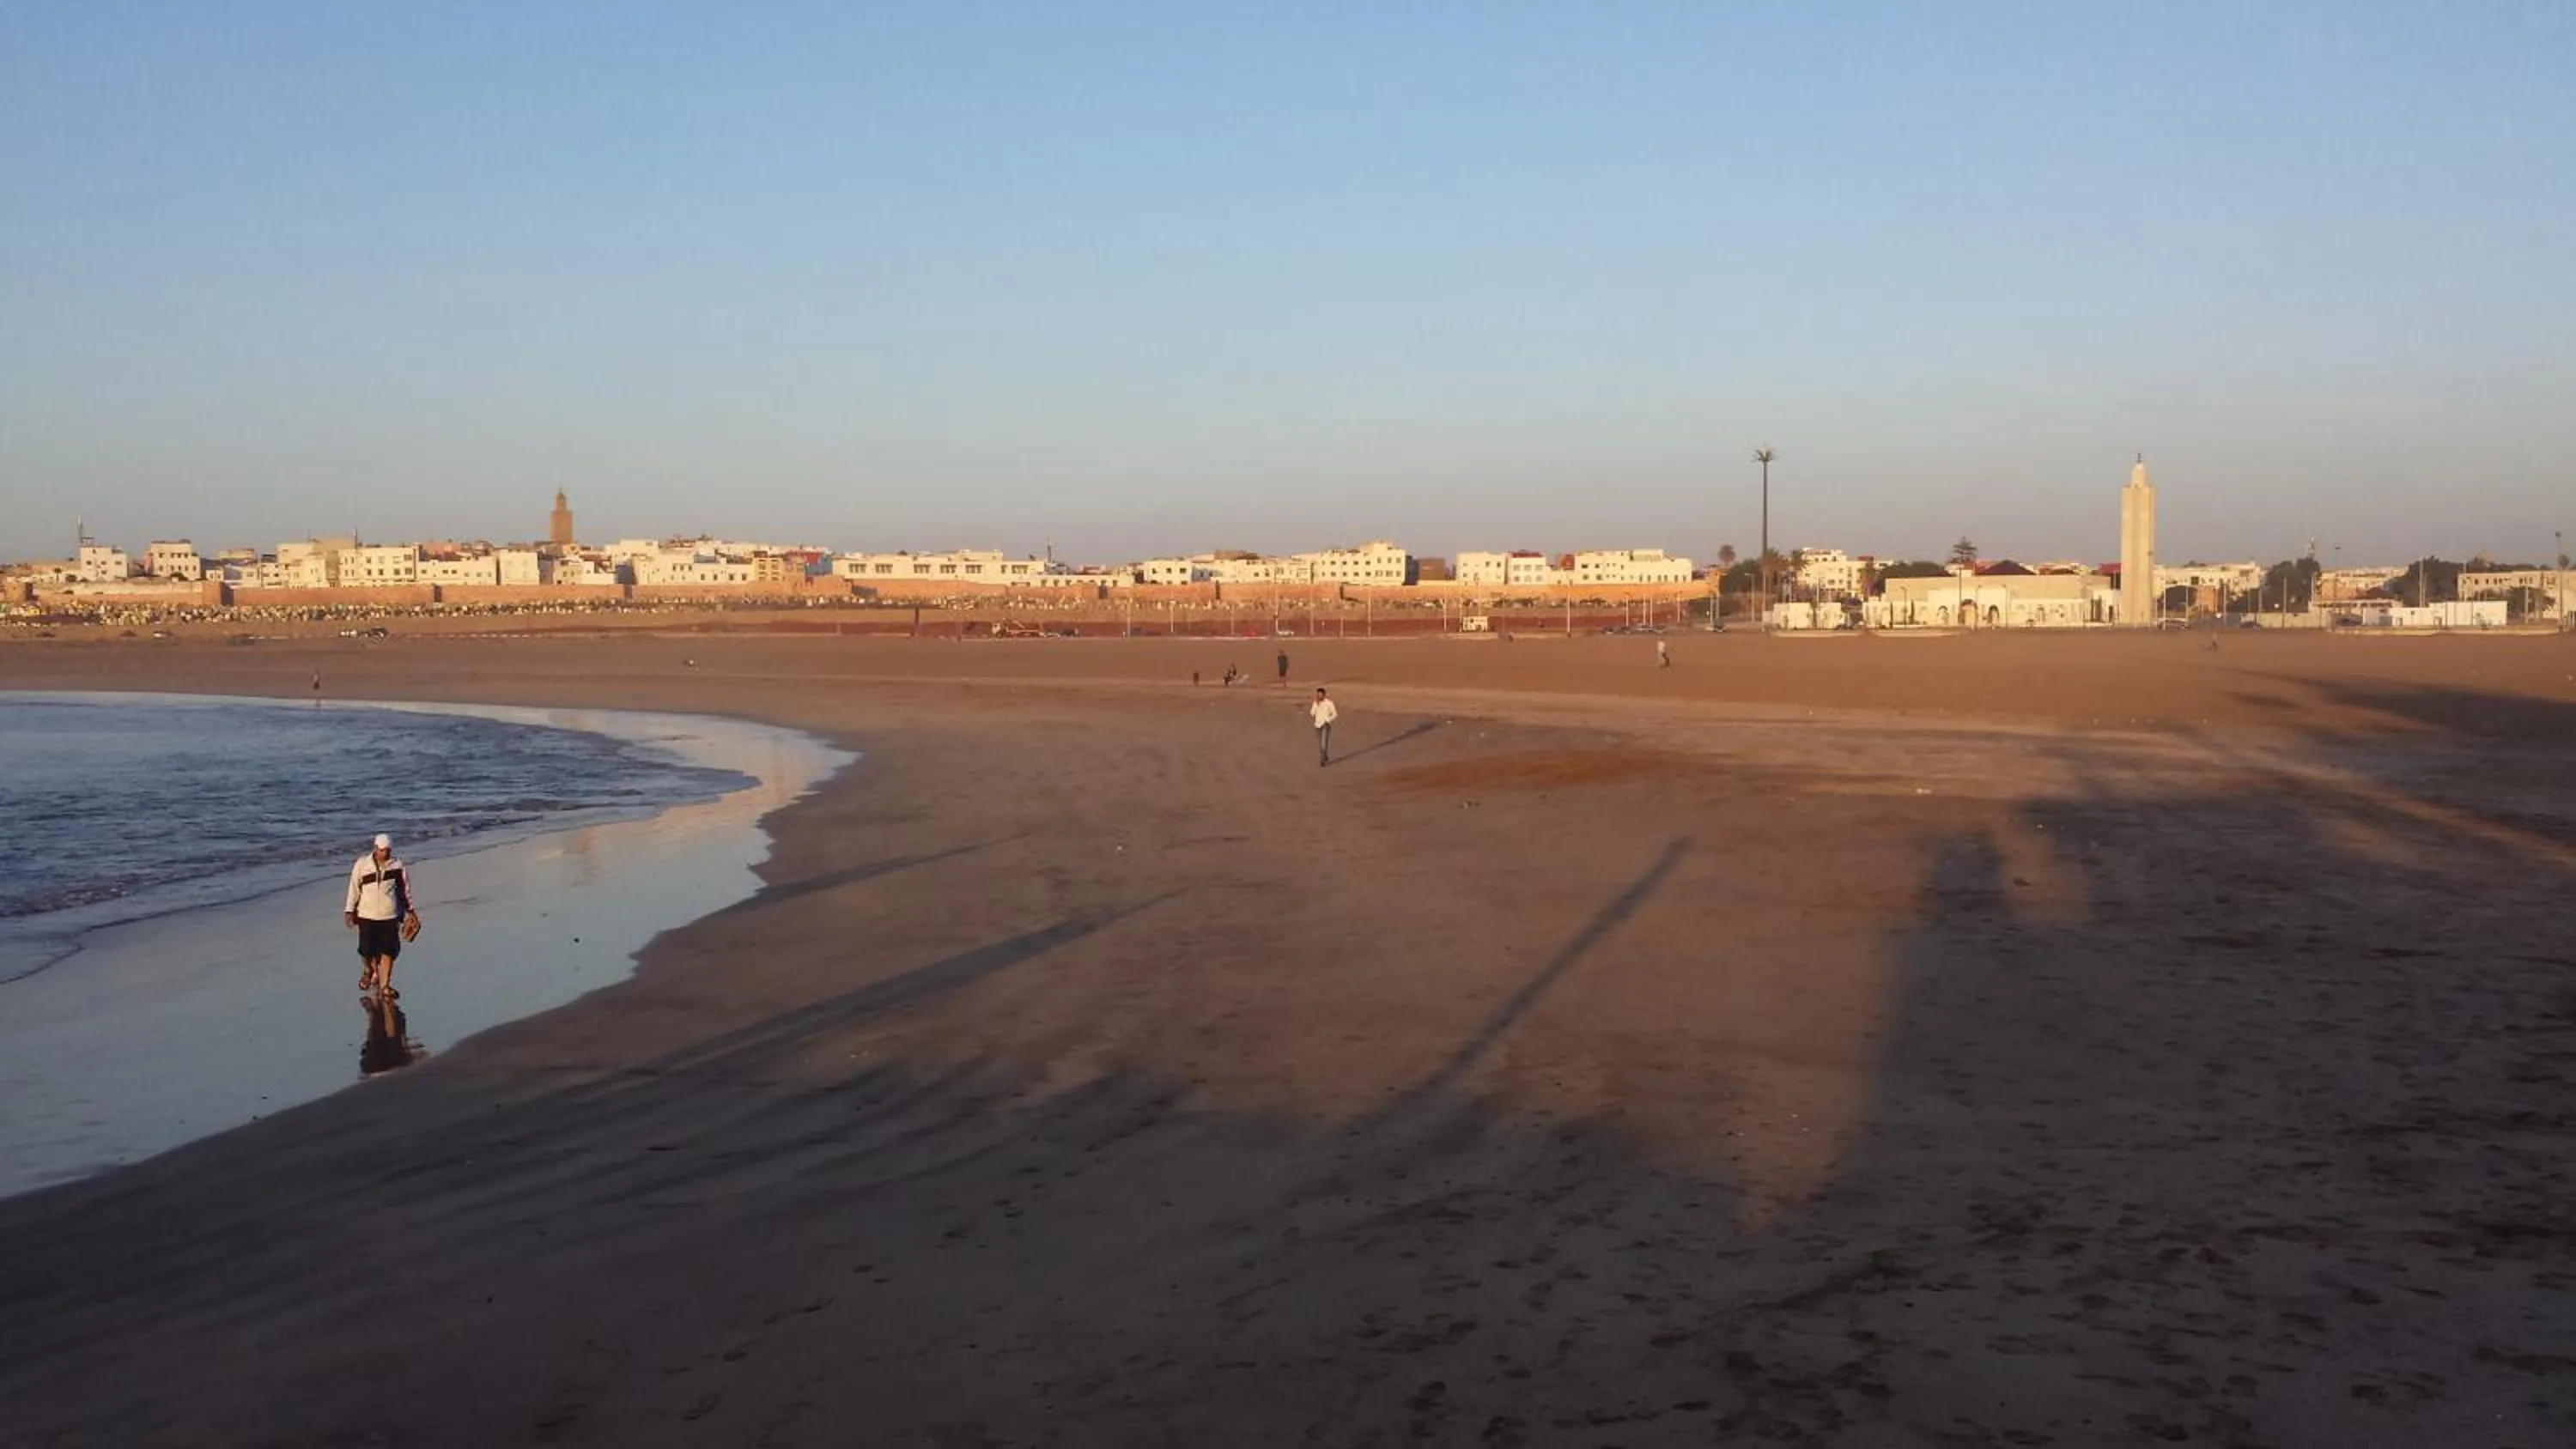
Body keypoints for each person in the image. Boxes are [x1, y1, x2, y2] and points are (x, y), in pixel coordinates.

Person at [344, 834, 419, 997]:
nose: (385, 854)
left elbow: (404, 890)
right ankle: (368, 970)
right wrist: (349, 910)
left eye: (387, 850)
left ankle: (385, 986)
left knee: (388, 952)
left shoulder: (397, 866)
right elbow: (354, 888)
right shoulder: (362, 865)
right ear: (375, 849)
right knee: (366, 950)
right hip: (366, 915)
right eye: (382, 850)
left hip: (390, 915)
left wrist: (411, 911)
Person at [1309, 687, 1339, 767]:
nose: (1319, 696)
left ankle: (1322, 760)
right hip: (1317, 725)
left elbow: (1335, 714)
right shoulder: (1315, 703)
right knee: (1321, 744)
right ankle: (1325, 755)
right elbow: (1312, 713)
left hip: (1325, 725)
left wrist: (1328, 720)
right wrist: (1316, 705)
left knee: (1323, 743)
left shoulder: (1329, 703)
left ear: (1324, 695)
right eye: (1318, 695)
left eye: (1321, 695)